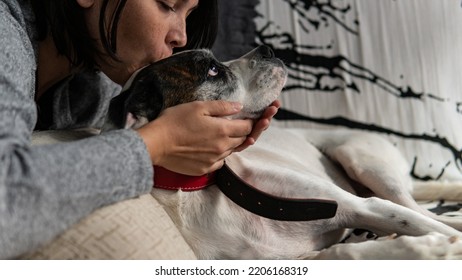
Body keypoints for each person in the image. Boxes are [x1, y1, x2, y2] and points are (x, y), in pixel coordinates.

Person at [0, 0, 280, 259]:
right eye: (168, 5)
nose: (181, 36)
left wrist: (223, 132)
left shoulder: (92, 91)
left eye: (189, 14)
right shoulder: (5, 39)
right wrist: (159, 143)